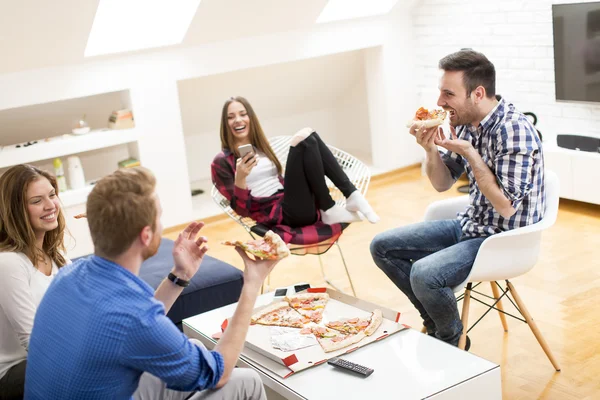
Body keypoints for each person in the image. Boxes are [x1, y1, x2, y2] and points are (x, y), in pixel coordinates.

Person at [25, 167, 276, 400]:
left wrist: (180, 276)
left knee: (195, 346)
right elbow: (217, 374)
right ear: (146, 235)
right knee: (248, 380)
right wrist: (251, 285)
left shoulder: (69, 276)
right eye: (160, 217)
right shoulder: (133, 314)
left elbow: (132, 325)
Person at [370, 49, 545, 348]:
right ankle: (440, 325)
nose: (439, 102)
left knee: (424, 274)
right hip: (471, 225)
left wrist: (471, 154)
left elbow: (505, 207)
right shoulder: (464, 122)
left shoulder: (514, 131)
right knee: (381, 247)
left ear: (477, 93)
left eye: (448, 93)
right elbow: (441, 184)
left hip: (503, 239)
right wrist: (429, 150)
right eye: (441, 92)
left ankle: (450, 342)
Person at [211, 96, 379, 243]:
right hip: (279, 214)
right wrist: (240, 178)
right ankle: (333, 205)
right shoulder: (221, 162)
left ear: (250, 118)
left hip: (294, 203)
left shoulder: (262, 148)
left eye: (243, 114)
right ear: (225, 124)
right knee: (303, 138)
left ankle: (349, 196)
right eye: (230, 117)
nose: (238, 120)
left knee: (309, 136)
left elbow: (282, 181)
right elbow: (241, 211)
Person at [0, 164, 69, 400]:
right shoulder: (8, 263)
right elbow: (33, 341)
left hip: (47, 361)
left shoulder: (57, 258)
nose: (50, 206)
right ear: (16, 210)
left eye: (52, 195)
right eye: (37, 200)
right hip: (15, 372)